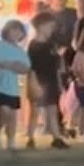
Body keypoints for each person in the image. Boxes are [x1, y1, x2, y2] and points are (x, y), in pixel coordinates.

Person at [25, 13, 68, 149]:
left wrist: (59, 82)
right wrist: (33, 83)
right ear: (40, 26)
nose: (52, 29)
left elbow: (56, 66)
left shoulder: (51, 44)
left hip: (51, 80)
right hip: (38, 80)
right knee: (35, 111)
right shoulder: (33, 45)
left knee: (52, 109)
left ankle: (56, 138)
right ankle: (30, 137)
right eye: (50, 26)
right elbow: (31, 67)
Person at [0, 20, 31, 151]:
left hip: (12, 87)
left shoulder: (21, 51)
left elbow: (26, 67)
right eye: (13, 30)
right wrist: (10, 64)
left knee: (12, 115)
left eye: (19, 31)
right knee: (4, 111)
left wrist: (18, 67)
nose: (16, 33)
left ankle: (10, 141)